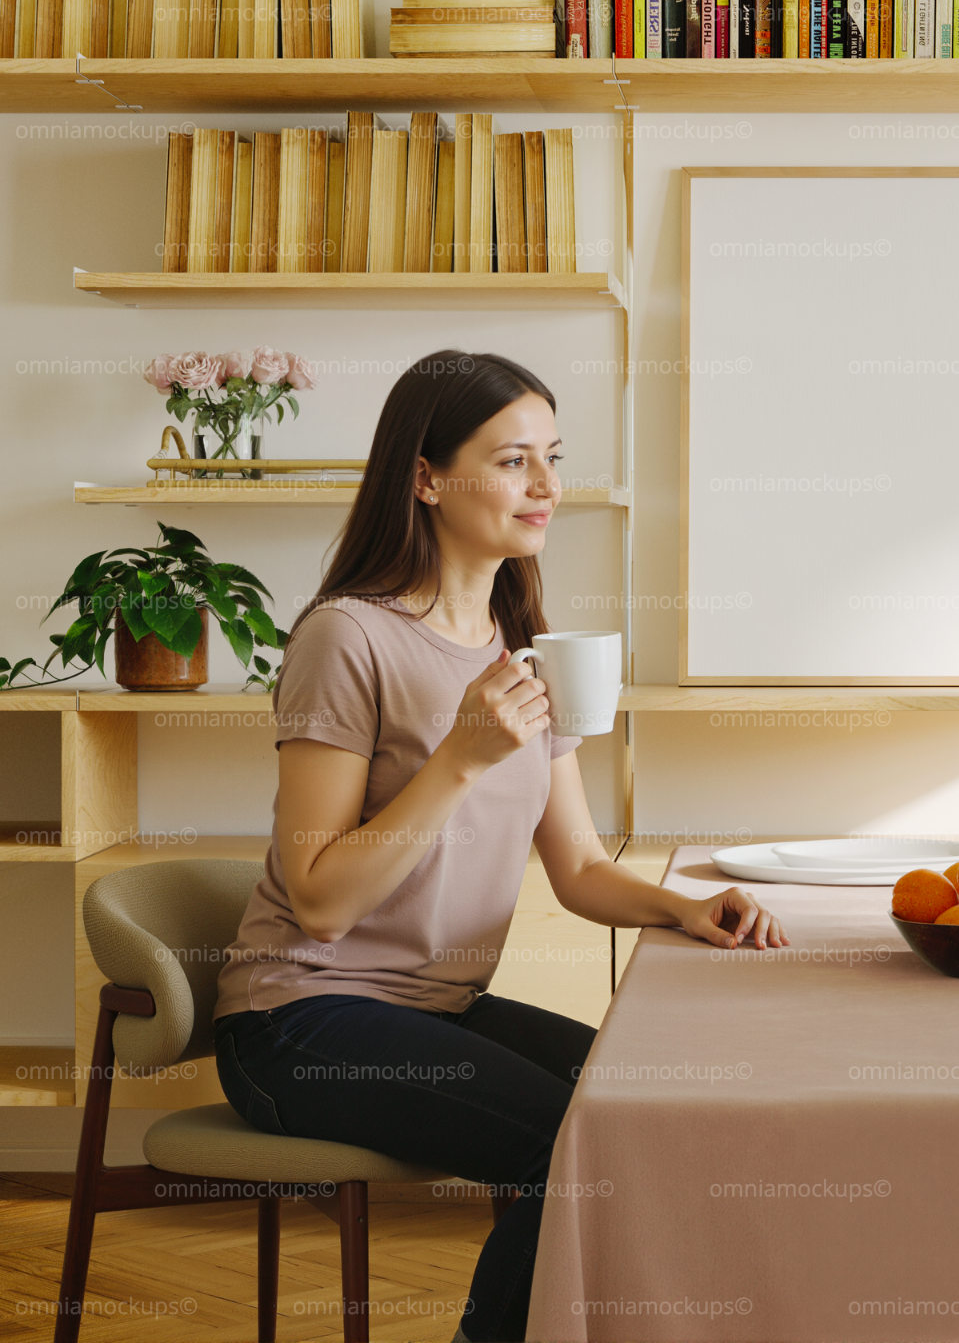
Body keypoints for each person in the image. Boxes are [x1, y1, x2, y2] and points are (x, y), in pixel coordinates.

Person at [212, 349, 788, 1343]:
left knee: (652, 1115)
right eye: (514, 460)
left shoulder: (520, 642)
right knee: (584, 1141)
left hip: (439, 1007)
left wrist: (683, 908)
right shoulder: (347, 639)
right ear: (426, 477)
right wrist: (460, 759)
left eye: (552, 459)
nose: (547, 487)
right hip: (297, 1019)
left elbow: (579, 868)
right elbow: (319, 901)